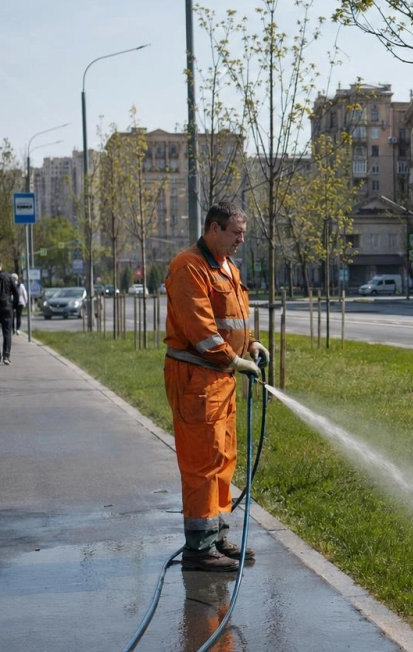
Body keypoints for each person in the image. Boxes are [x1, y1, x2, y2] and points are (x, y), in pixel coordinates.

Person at [163, 203, 268, 572]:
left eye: (243, 233)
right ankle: (199, 548)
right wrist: (233, 359)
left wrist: (251, 343)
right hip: (197, 378)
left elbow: (234, 318)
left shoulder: (227, 267)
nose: (241, 240)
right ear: (213, 229)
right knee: (202, 462)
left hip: (220, 379)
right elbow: (202, 331)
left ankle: (217, 537)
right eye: (236, 233)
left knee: (223, 457)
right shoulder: (188, 267)